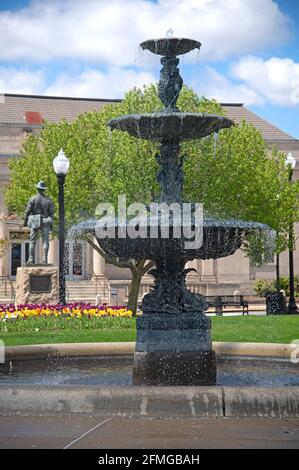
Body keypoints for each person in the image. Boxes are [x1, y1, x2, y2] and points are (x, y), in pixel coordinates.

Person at [24, 181, 54, 264]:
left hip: (34, 220)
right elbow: (52, 214)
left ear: (37, 188)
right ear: (44, 189)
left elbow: (27, 211)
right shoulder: (48, 200)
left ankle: (31, 259)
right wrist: (51, 224)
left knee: (32, 241)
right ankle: (45, 259)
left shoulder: (32, 199)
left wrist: (25, 221)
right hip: (46, 220)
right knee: (45, 240)